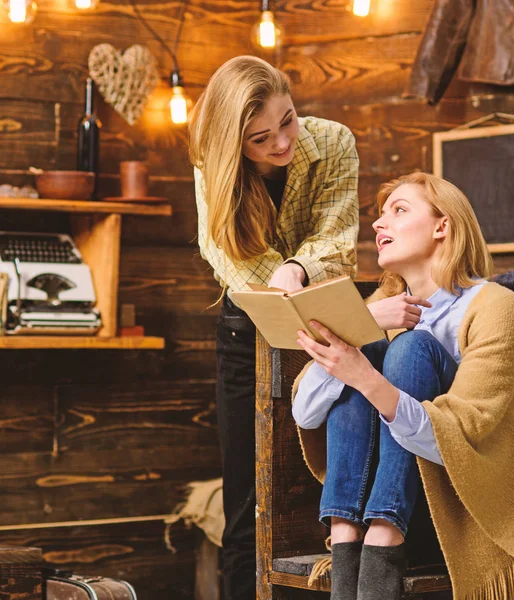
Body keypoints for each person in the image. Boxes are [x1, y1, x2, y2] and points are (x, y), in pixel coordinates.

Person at [292, 172, 514, 600]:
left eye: (399, 211)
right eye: (379, 216)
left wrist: (363, 375)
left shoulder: (496, 308)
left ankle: (382, 534)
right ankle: (345, 534)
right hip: (379, 515)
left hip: (469, 509)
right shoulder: (377, 310)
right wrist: (361, 329)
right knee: (372, 354)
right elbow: (304, 413)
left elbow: (462, 440)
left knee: (409, 349)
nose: (379, 224)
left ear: (443, 226)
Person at [189, 55, 360, 600]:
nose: (282, 143)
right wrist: (283, 278)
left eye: (287, 121)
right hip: (247, 332)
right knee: (247, 503)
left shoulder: (333, 142)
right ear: (234, 143)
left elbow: (339, 237)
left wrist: (299, 268)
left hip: (330, 323)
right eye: (261, 139)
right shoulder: (212, 167)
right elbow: (226, 256)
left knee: (321, 496)